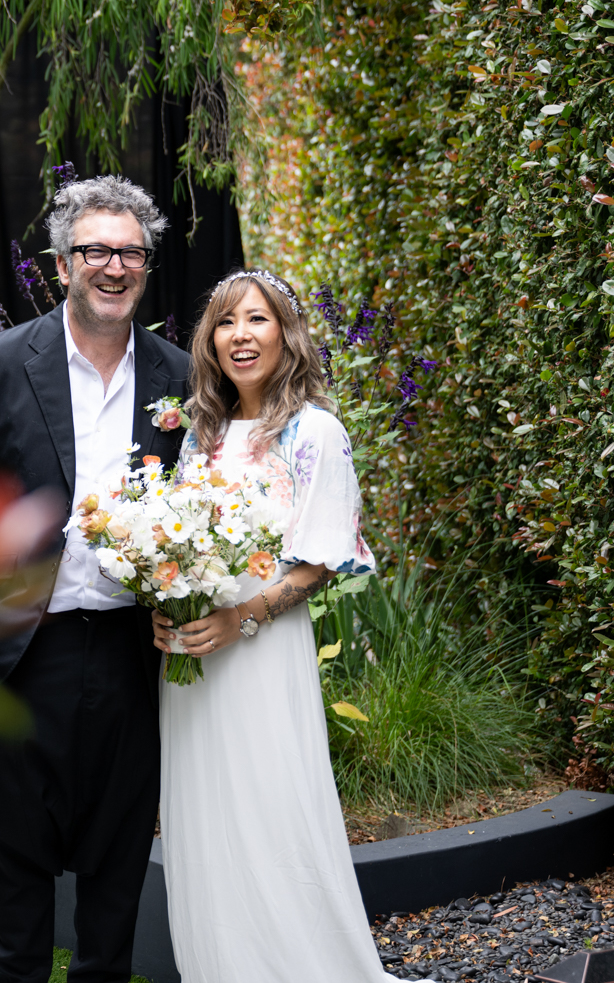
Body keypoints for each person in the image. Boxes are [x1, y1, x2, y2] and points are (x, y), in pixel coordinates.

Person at [0, 175, 191, 983]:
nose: (115, 267)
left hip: (128, 652)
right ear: (61, 264)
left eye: (131, 253)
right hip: (17, 649)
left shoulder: (180, 377)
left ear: (147, 267)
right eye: (96, 251)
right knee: (17, 859)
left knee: (116, 862)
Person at [151, 268, 423, 983]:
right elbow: (172, 536)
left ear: (287, 333)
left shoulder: (314, 432)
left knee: (272, 812)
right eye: (225, 322)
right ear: (210, 339)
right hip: (190, 660)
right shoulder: (200, 432)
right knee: (204, 822)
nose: (240, 335)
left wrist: (240, 615)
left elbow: (320, 562)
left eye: (257, 320)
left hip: (262, 654)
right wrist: (167, 599)